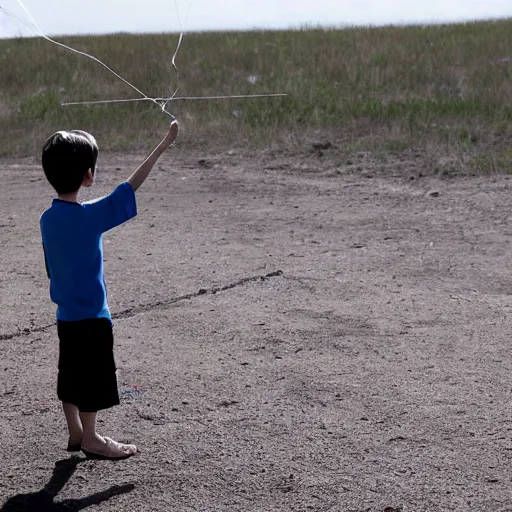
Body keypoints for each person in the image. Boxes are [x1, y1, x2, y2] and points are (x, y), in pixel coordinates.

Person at [39, 121, 179, 460]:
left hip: (66, 316)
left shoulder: (47, 218)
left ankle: (75, 431)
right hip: (92, 318)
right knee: (90, 381)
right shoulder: (91, 216)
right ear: (88, 175)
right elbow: (129, 187)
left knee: (70, 375)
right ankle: (91, 438)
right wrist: (162, 145)